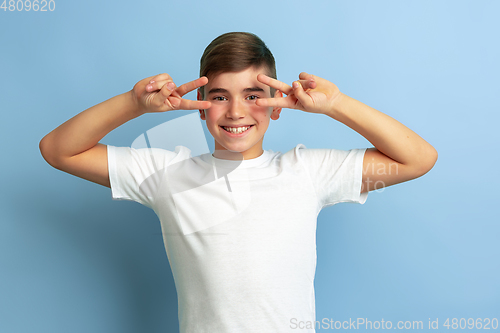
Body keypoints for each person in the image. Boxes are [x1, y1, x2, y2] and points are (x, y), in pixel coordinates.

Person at [39, 32, 437, 332]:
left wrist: (336, 105)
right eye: (218, 97)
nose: (235, 111)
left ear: (277, 107)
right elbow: (59, 150)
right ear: (200, 108)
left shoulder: (308, 173)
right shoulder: (166, 175)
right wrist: (133, 102)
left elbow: (418, 158)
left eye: (252, 95)